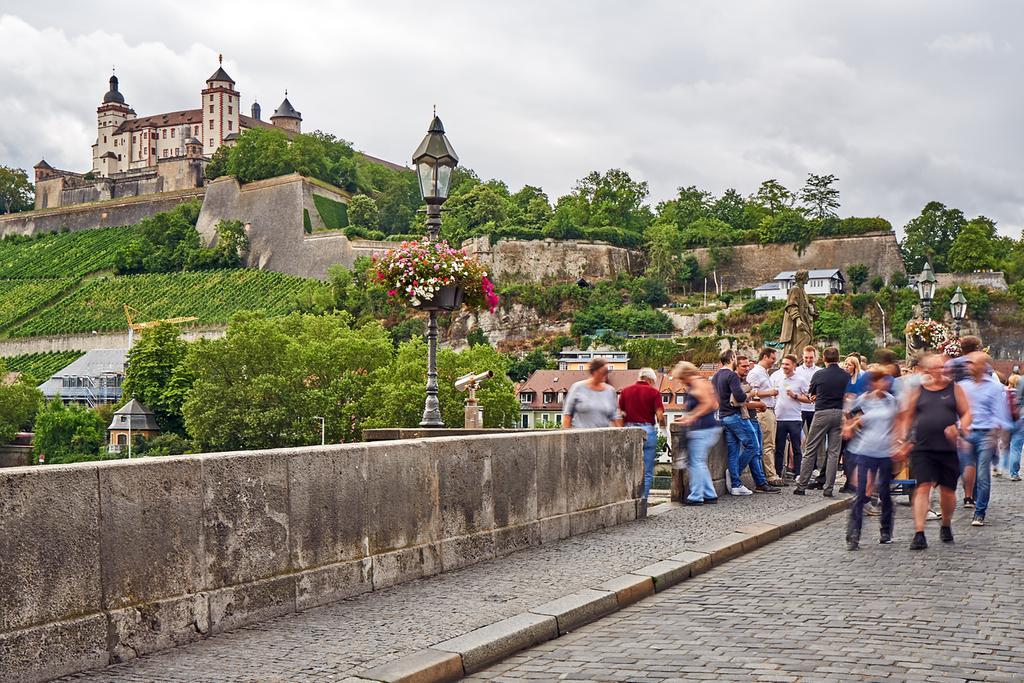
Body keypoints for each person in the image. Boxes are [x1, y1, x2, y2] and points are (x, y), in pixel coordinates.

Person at [897, 353, 972, 550]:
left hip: (947, 449)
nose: (942, 370)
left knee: (948, 491)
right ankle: (919, 532)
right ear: (927, 370)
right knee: (923, 486)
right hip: (923, 447)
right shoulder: (918, 390)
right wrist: (903, 439)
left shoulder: (954, 389)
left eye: (944, 367)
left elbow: (966, 413)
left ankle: (946, 524)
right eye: (938, 367)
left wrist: (959, 427)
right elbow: (907, 416)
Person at [844, 368, 900, 550]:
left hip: (885, 452)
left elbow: (898, 422)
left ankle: (886, 531)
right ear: (873, 383)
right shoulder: (863, 400)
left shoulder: (891, 401)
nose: (885, 384)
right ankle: (854, 533)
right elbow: (848, 414)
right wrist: (850, 427)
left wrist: (898, 442)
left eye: (886, 380)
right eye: (881, 380)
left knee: (884, 492)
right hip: (865, 451)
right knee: (861, 493)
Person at [957, 351, 1011, 526]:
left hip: (985, 434)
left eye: (972, 363)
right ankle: (967, 498)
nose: (968, 366)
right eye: (968, 363)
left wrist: (994, 433)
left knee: (982, 475)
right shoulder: (963, 386)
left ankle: (979, 512)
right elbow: (956, 410)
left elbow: (1000, 413)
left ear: (983, 366)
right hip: (965, 434)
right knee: (964, 472)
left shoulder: (994, 387)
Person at [794, 347, 849, 497]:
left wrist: (815, 396)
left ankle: (801, 486)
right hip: (839, 412)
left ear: (824, 359)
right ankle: (829, 488)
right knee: (833, 452)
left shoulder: (818, 374)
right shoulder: (845, 375)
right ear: (838, 359)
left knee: (810, 448)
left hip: (822, 412)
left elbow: (811, 395)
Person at [672, 361, 721, 506]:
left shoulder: (696, 383)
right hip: (710, 427)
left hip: (702, 429)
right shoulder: (704, 382)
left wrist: (692, 416)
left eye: (681, 378)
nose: (681, 382)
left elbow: (707, 403)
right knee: (699, 462)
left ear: (685, 375)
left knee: (696, 463)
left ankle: (696, 496)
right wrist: (688, 416)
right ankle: (709, 494)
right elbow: (716, 404)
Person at [712, 350, 756, 496]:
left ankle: (736, 485)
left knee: (733, 450)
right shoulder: (732, 375)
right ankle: (734, 475)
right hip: (735, 416)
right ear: (732, 359)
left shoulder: (716, 376)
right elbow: (739, 396)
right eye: (735, 358)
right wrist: (750, 394)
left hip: (723, 416)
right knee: (753, 445)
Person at [619, 367, 667, 501]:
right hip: (647, 431)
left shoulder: (625, 391)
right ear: (649, 380)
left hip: (629, 431)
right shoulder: (653, 392)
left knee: (628, 468)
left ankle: (628, 499)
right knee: (647, 471)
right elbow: (659, 415)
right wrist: (663, 428)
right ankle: (642, 501)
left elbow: (621, 414)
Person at [736, 356, 781, 493]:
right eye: (743, 366)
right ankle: (735, 474)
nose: (747, 368)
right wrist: (758, 403)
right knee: (754, 449)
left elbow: (748, 397)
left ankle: (760, 482)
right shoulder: (736, 380)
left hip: (753, 416)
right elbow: (737, 402)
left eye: (747, 366)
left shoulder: (745, 379)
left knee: (758, 451)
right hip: (745, 417)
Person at [747, 347, 786, 486]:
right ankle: (771, 476)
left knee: (770, 444)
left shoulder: (764, 372)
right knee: (767, 445)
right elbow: (751, 393)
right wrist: (770, 392)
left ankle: (770, 475)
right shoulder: (756, 373)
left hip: (769, 410)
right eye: (772, 359)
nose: (773, 362)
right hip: (763, 411)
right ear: (764, 357)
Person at [771, 354, 807, 478]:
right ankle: (777, 474)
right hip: (779, 418)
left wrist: (795, 396)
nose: (784, 366)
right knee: (779, 449)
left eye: (787, 364)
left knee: (796, 448)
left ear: (794, 366)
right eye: (783, 364)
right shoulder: (776, 378)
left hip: (794, 419)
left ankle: (798, 474)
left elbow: (809, 399)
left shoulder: (801, 380)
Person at [562, 358, 618, 429]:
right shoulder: (577, 388)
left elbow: (615, 417)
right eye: (604, 371)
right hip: (581, 436)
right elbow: (567, 415)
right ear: (594, 371)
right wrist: (567, 435)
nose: (606, 374)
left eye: (607, 372)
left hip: (603, 437)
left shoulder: (610, 391)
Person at [795, 346, 820, 433]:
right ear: (802, 356)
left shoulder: (819, 371)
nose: (808, 360)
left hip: (814, 408)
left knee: (814, 435)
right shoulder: (796, 371)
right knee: (796, 435)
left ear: (815, 357)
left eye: (811, 357)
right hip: (799, 408)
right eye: (806, 357)